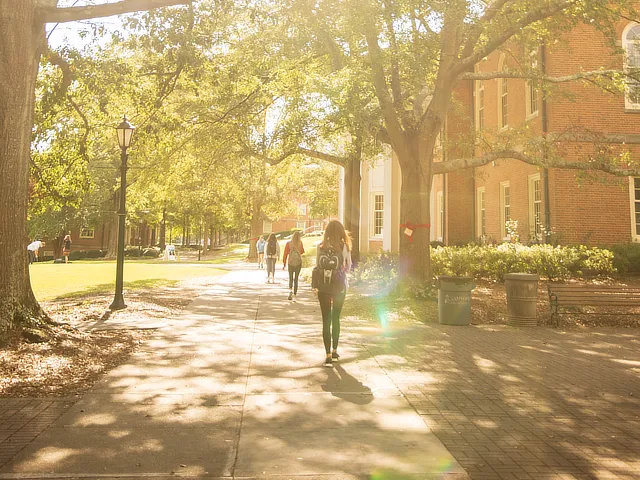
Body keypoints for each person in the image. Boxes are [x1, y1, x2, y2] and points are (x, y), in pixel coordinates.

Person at [314, 220, 352, 368]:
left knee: (326, 319)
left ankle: (327, 354)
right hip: (340, 287)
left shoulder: (320, 246)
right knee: (336, 318)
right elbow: (348, 266)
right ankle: (335, 350)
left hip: (324, 287)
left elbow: (317, 265)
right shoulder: (345, 247)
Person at [282, 231, 305, 301]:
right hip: (298, 263)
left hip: (290, 263)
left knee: (291, 277)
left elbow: (285, 254)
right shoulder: (300, 243)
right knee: (296, 278)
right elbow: (302, 251)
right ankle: (295, 293)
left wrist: (284, 263)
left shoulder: (288, 243)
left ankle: (290, 291)